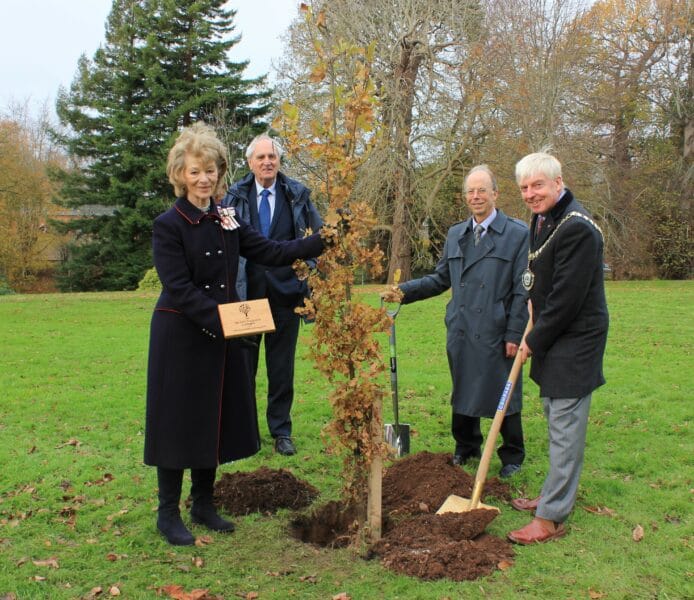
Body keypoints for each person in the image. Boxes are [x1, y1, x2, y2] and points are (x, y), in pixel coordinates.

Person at [144, 122, 324, 546]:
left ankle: (203, 503)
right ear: (180, 175)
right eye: (195, 172)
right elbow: (180, 289)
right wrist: (226, 320)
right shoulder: (168, 225)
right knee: (178, 421)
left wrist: (321, 241)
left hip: (218, 333)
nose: (204, 179)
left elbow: (271, 251)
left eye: (210, 171)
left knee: (211, 415)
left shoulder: (226, 217)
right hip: (181, 334)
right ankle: (167, 512)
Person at [391, 165, 530, 478]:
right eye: (471, 191)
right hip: (462, 326)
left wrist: (514, 332)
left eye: (482, 190)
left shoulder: (517, 234)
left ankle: (512, 456)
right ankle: (466, 446)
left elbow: (524, 289)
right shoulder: (457, 234)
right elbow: (441, 278)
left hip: (498, 329)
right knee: (464, 388)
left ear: (495, 193)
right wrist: (403, 292)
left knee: (503, 391)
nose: (476, 196)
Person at [508, 151, 609, 545]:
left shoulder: (578, 228)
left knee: (566, 425)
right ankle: (552, 494)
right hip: (552, 330)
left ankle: (551, 517)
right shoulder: (543, 218)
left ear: (558, 182)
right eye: (525, 188)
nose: (531, 194)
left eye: (538, 185)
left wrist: (531, 340)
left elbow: (567, 299)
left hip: (575, 337)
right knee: (554, 416)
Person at [221, 134, 323, 456]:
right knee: (243, 369)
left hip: (285, 295)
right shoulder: (232, 199)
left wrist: (305, 274)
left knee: (281, 371)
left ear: (279, 161)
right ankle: (246, 432)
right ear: (250, 162)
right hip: (246, 296)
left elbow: (316, 238)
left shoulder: (298, 196)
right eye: (261, 157)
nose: (267, 162)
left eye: (272, 157)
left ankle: (281, 432)